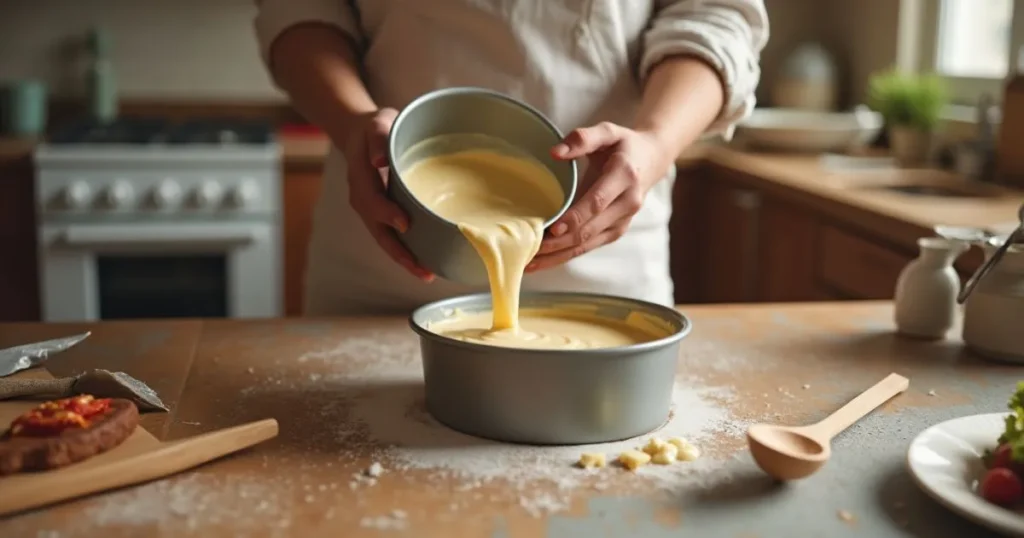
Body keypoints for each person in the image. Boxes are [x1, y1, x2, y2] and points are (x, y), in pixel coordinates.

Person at [254, 0, 769, 315]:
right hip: (383, 267)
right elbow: (302, 9)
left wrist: (655, 142)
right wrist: (352, 123)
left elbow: (715, 14)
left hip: (603, 265)